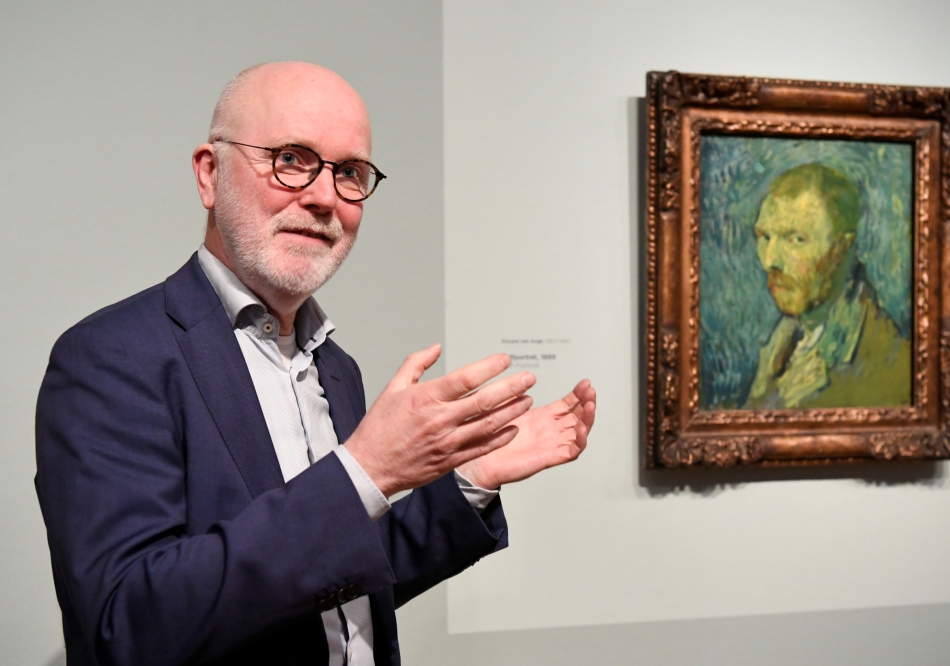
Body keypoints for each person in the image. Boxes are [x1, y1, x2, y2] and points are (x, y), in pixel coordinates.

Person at [34, 62, 596, 666]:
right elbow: (125, 627)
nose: (325, 197)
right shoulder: (110, 357)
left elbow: (337, 582)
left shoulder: (336, 367)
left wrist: (471, 478)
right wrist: (367, 470)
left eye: (349, 172)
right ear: (209, 174)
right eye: (291, 159)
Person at [743, 162, 910, 409]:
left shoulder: (887, 364)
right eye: (765, 237)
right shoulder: (785, 339)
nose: (770, 261)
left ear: (840, 249)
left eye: (796, 239)